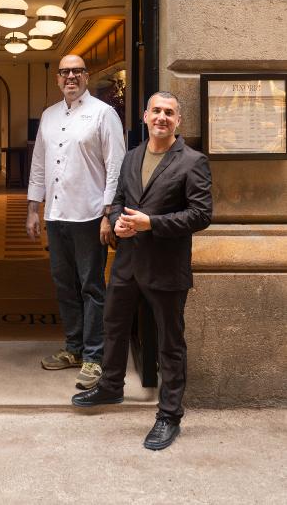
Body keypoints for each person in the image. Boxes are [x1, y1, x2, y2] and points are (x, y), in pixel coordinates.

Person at [72, 91, 212, 451]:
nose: (162, 117)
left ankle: (169, 415)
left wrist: (153, 223)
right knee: (114, 326)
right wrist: (118, 221)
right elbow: (120, 199)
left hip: (166, 267)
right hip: (127, 263)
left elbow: (201, 215)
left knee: (170, 343)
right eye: (156, 111)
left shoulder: (193, 161)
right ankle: (111, 386)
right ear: (145, 116)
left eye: (169, 112)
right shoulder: (132, 156)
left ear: (178, 120)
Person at [27, 54, 125, 389]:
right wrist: (33, 208)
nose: (71, 77)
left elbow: (116, 167)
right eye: (65, 72)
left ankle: (95, 357)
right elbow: (39, 164)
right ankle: (74, 348)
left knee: (91, 286)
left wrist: (109, 214)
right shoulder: (49, 115)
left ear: (86, 76)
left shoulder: (103, 113)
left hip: (89, 216)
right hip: (56, 215)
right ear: (58, 78)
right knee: (64, 285)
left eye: (77, 71)